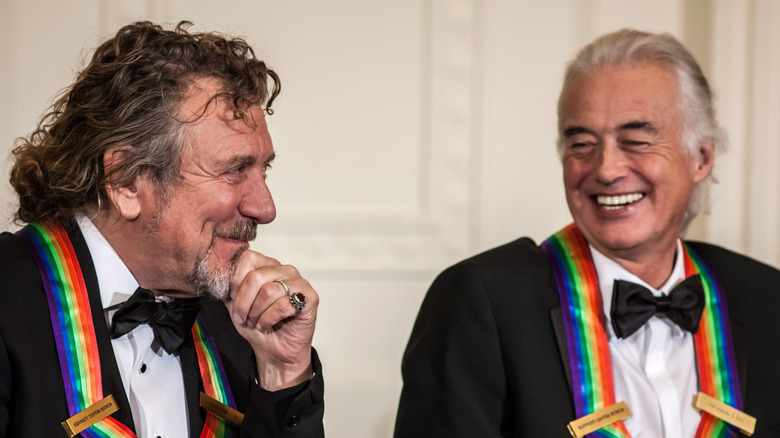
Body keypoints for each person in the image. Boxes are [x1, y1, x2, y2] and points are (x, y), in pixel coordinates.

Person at [395, 29, 780, 437]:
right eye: (581, 144)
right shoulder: (483, 298)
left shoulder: (766, 299)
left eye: (635, 141)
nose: (606, 169)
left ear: (701, 158)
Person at [0, 21, 324, 437]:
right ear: (127, 180)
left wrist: (282, 372)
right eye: (233, 170)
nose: (265, 208)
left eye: (264, 169)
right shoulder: (9, 300)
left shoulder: (242, 321)